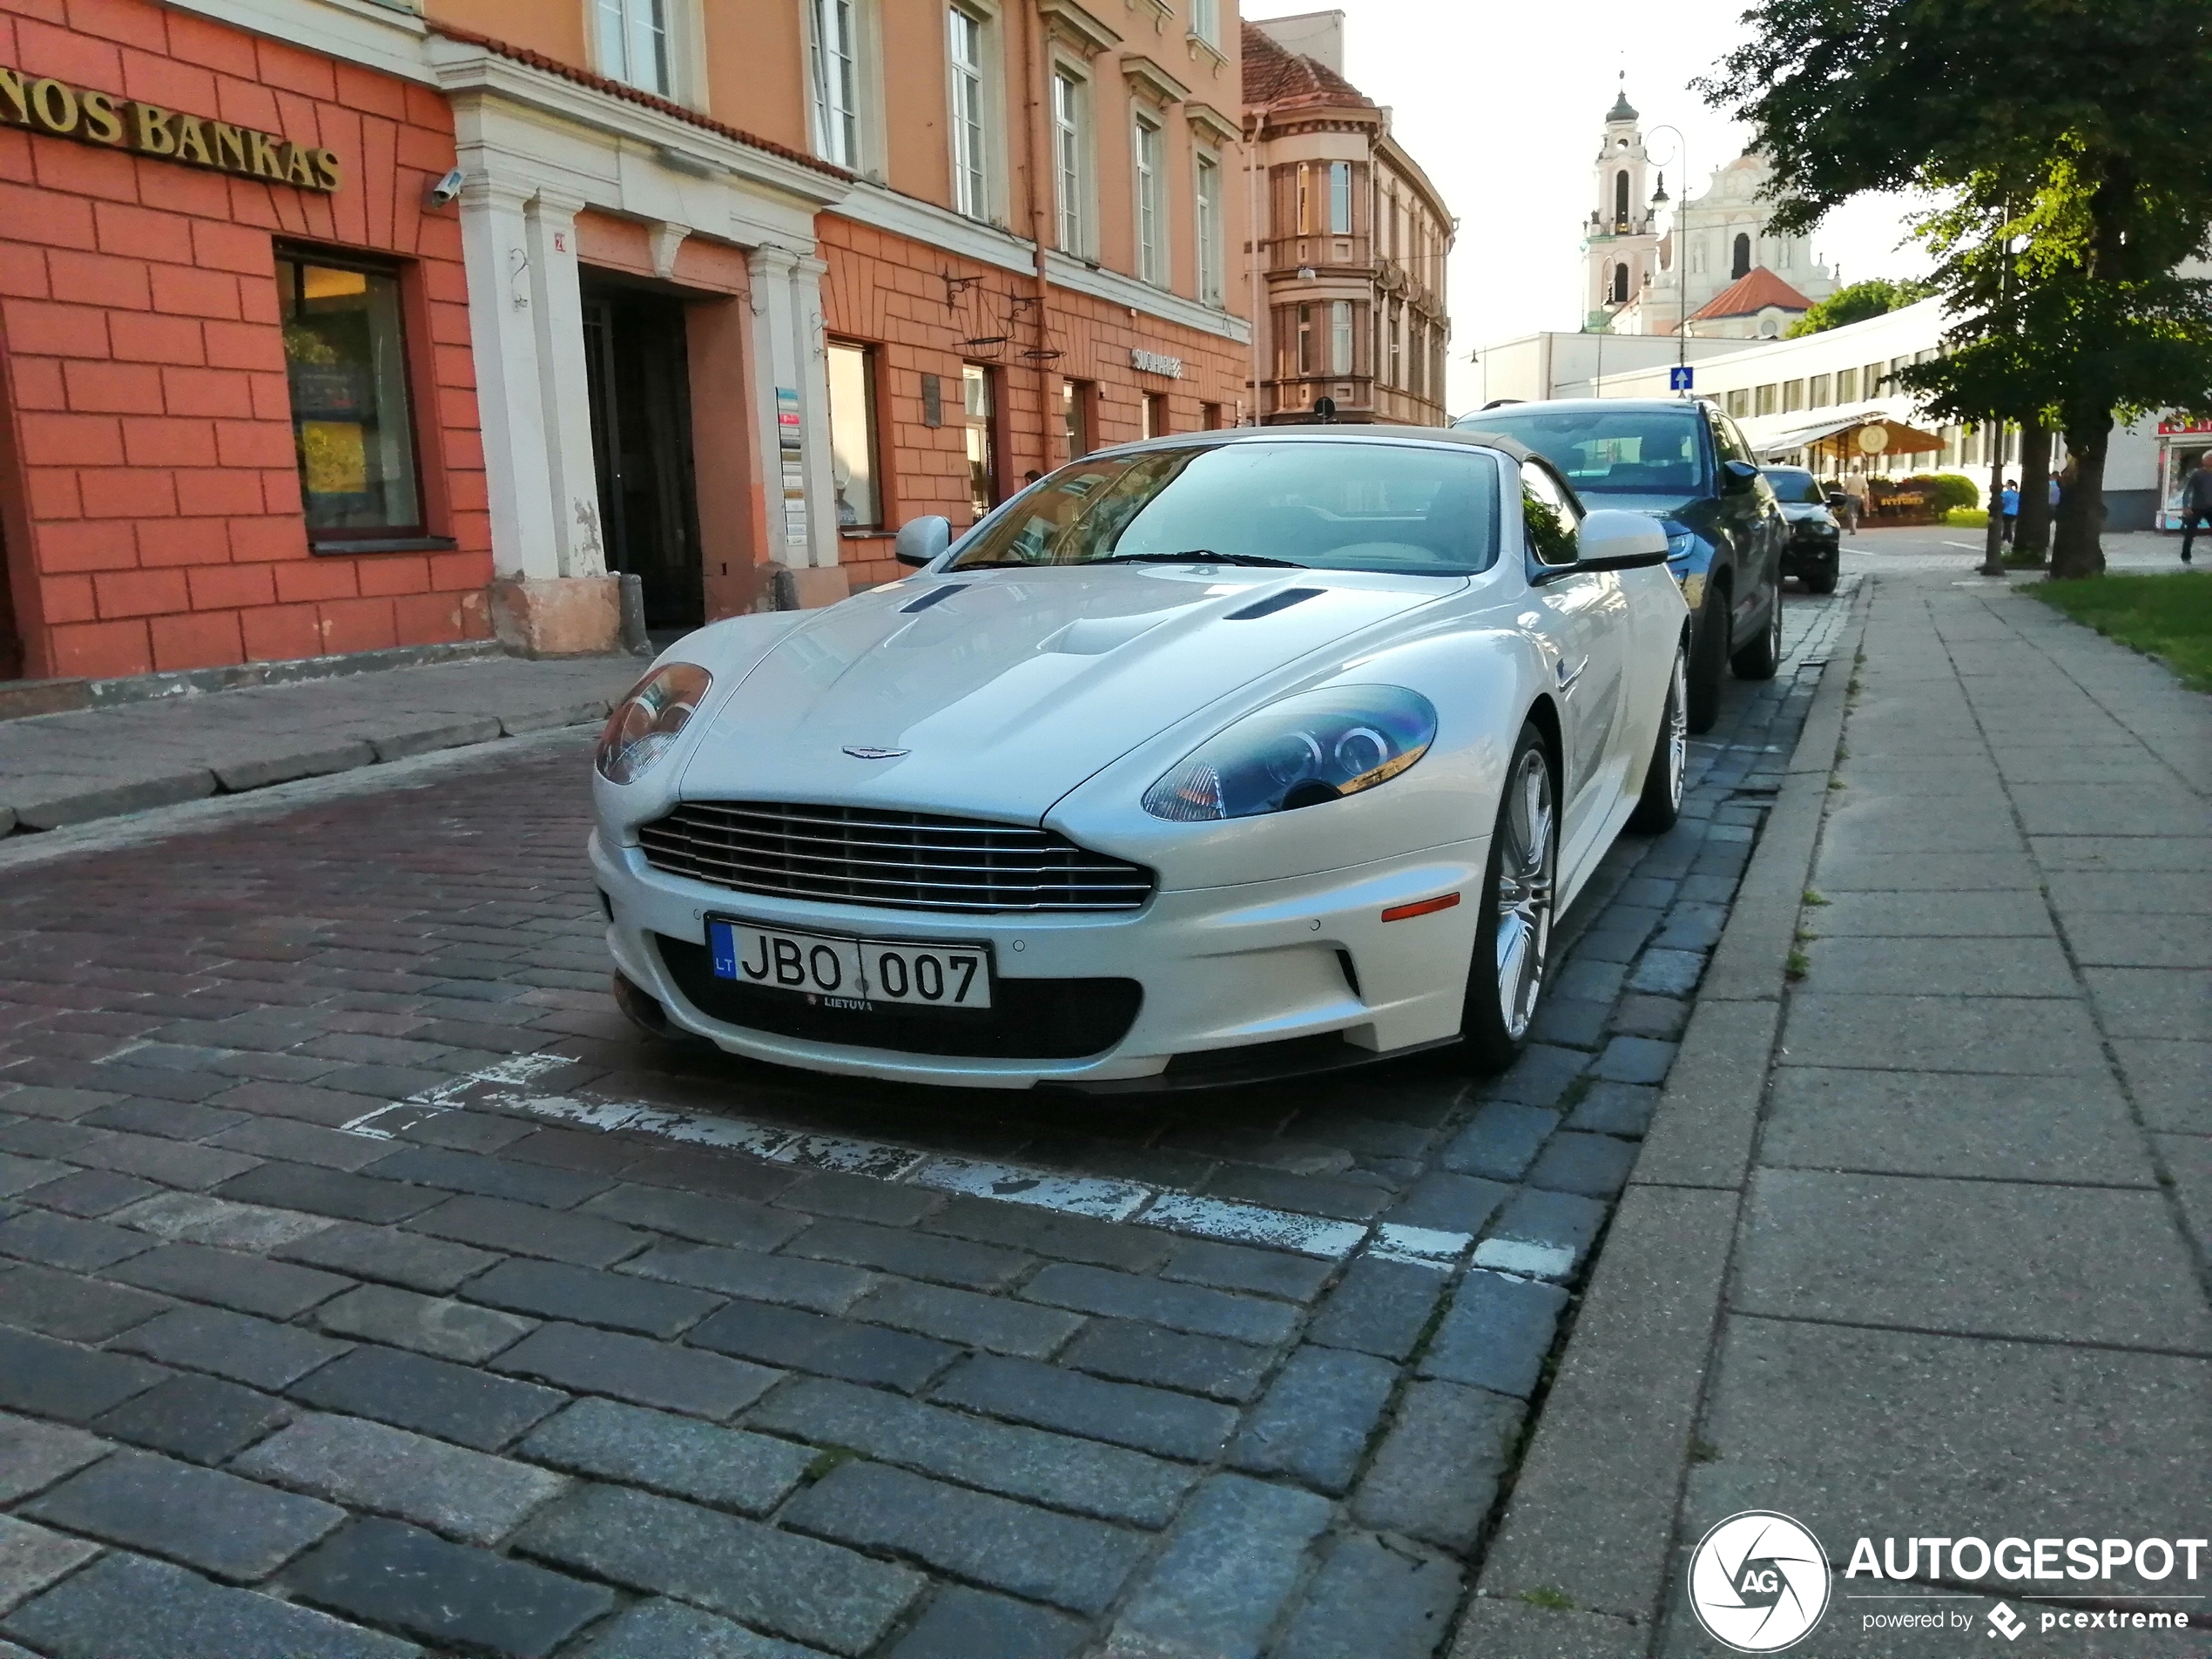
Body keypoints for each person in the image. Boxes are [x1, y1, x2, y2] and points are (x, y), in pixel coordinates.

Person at [2182, 451, 2212, 566]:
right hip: (2197, 507)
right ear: (2204, 461)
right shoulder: (2197, 474)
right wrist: (2186, 506)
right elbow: (2188, 490)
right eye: (2209, 458)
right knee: (2190, 532)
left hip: (2211, 507)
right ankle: (2186, 556)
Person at [1840, 466, 1869, 534]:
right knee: (1855, 512)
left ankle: (1853, 528)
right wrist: (1866, 499)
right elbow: (1866, 489)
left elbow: (1844, 488)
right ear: (1859, 470)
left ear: (1852, 470)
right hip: (1859, 497)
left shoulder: (1849, 478)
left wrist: (1842, 495)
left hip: (1850, 497)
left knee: (1850, 513)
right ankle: (1854, 523)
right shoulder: (1862, 479)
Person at [2000, 478, 2020, 545]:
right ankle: (2004, 538)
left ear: (2009, 485)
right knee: (2008, 525)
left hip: (2007, 512)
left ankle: (2009, 539)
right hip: (2015, 512)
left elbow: (2002, 501)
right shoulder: (2017, 494)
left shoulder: (2006, 494)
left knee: (2007, 526)